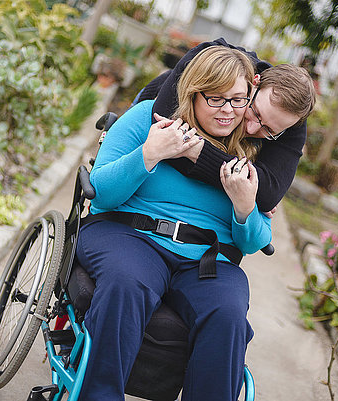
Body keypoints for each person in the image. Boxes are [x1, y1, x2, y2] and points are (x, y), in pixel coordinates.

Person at [76, 46, 270, 401]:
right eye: (216, 98)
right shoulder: (146, 118)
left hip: (208, 257)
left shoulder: (250, 148)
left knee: (228, 315)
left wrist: (244, 210)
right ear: (193, 92)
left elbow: (256, 241)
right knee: (127, 281)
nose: (229, 111)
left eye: (238, 100)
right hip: (130, 232)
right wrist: (149, 154)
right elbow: (100, 192)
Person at [138, 38, 316, 213]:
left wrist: (197, 151)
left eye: (269, 130)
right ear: (254, 83)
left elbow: (268, 195)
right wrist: (240, 186)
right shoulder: (210, 55)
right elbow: (165, 135)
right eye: (256, 112)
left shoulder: (292, 119)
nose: (252, 129)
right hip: (147, 102)